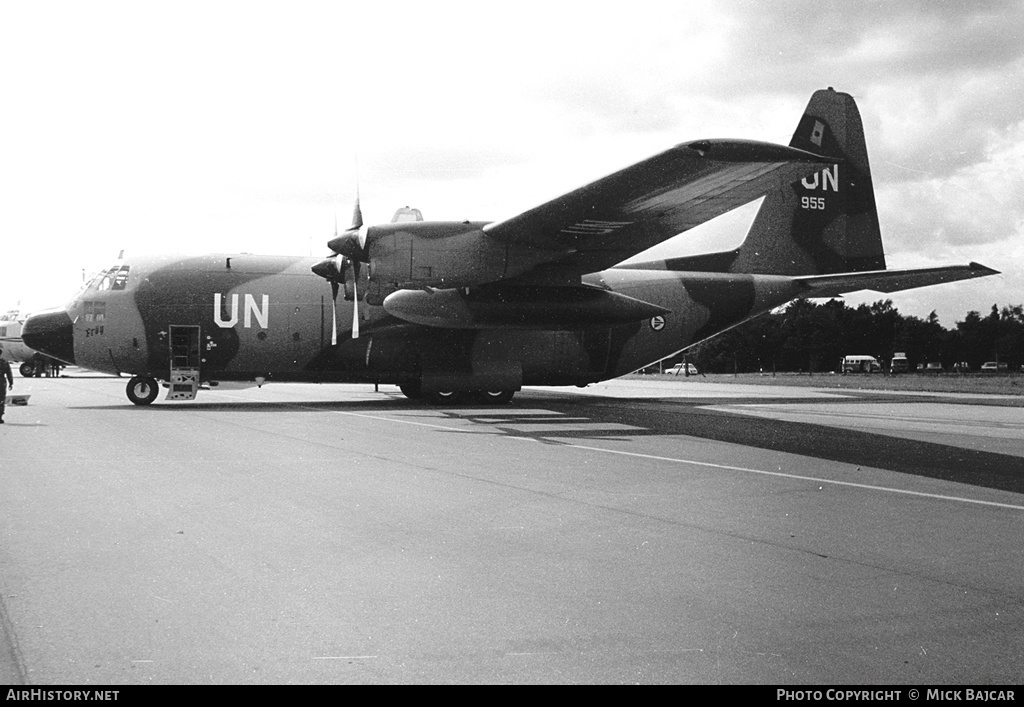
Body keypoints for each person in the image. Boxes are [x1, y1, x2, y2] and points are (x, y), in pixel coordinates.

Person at [0, 344, 13, 424]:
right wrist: (11, 383)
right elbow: (9, 373)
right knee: (1, 399)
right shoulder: (4, 362)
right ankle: (0, 417)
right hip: (1, 381)